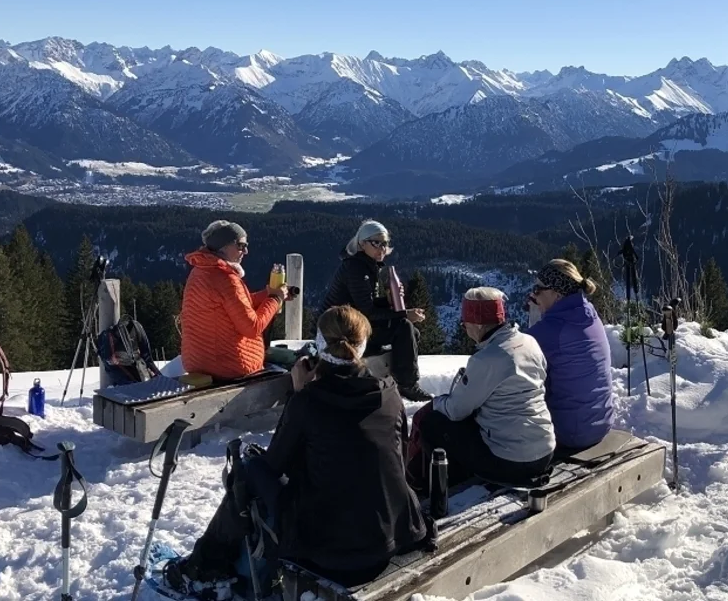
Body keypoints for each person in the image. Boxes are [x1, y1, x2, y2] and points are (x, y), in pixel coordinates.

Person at [165, 305, 433, 596]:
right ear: (362, 345)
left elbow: (274, 465)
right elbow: (398, 456)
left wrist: (298, 392)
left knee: (250, 470)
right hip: (395, 533)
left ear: (320, 346)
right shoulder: (389, 393)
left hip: (332, 550)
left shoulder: (308, 402)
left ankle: (201, 568)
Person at [406, 287, 555, 490]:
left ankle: (446, 486)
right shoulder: (529, 342)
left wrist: (436, 403)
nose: (465, 329)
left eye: (464, 323)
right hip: (545, 449)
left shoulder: (487, 359)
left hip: (512, 461)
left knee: (433, 424)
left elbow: (456, 410)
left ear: (477, 324)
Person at [322, 219, 432, 402]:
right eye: (376, 243)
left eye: (385, 243)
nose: (382, 248)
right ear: (362, 243)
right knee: (404, 327)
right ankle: (407, 385)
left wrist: (389, 302)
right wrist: (404, 314)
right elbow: (367, 312)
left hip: (346, 326)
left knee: (410, 331)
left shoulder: (363, 265)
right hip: (338, 333)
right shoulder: (356, 269)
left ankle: (401, 380)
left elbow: (365, 305)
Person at [524, 259, 615, 454]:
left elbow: (517, 354)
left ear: (557, 294)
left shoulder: (551, 330)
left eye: (538, 289)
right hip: (600, 423)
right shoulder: (588, 312)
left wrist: (535, 316)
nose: (533, 294)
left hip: (571, 433)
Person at [180, 220, 290, 381]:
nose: (246, 251)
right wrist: (275, 298)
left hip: (197, 363)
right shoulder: (226, 279)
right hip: (229, 366)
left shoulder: (200, 271)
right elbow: (252, 328)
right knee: (291, 369)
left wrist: (268, 294)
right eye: (240, 245)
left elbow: (236, 306)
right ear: (223, 246)